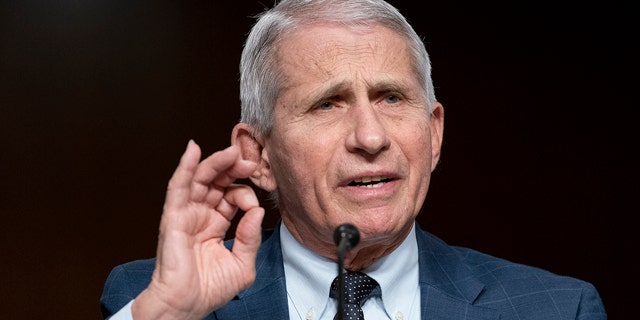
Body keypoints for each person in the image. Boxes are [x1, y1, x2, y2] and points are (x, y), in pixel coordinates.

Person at [100, 0, 607, 319]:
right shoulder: (148, 298)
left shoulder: (558, 309)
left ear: (434, 134)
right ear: (259, 156)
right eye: (327, 103)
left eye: (390, 98)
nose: (370, 136)